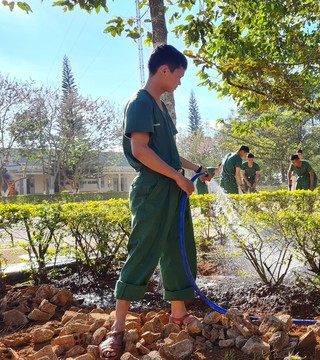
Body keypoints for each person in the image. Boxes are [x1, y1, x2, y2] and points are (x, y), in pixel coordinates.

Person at [99, 45, 211, 359]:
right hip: (153, 189)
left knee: (177, 248)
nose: (179, 82)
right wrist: (177, 178)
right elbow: (141, 150)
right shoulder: (140, 103)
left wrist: (194, 169)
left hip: (172, 187)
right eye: (178, 75)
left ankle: (178, 313)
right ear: (164, 70)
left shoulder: (160, 107)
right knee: (143, 251)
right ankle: (117, 329)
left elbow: (169, 154)